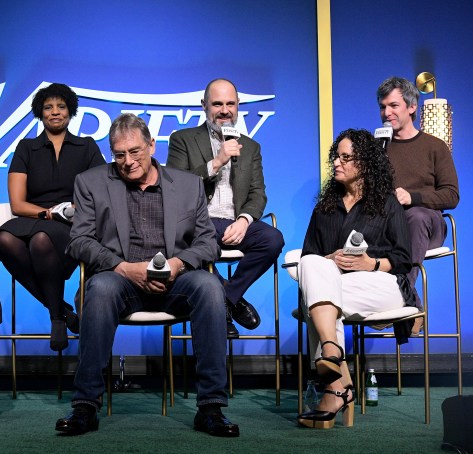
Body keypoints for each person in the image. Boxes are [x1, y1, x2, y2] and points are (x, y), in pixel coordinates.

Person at [55, 113, 239, 437]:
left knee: (210, 287)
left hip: (176, 279)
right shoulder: (91, 182)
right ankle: (85, 406)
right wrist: (123, 267)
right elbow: (79, 240)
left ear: (152, 146)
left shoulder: (188, 184)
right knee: (98, 290)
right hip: (121, 277)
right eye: (119, 154)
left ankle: (211, 408)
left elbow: (208, 242)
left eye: (135, 151)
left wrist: (178, 264)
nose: (128, 161)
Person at [296, 129, 416, 429]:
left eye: (345, 157)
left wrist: (370, 263)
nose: (337, 162)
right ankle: (333, 357)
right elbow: (309, 256)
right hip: (337, 286)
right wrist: (330, 259)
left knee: (318, 300)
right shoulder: (324, 208)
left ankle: (334, 382)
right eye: (336, 156)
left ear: (364, 163)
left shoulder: (387, 203)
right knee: (313, 266)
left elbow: (404, 259)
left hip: (382, 284)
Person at [167, 78, 284, 338]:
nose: (224, 110)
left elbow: (257, 193)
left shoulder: (251, 146)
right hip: (198, 223)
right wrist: (217, 161)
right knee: (181, 242)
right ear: (204, 106)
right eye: (217, 104)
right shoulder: (182, 139)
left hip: (234, 223)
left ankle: (226, 300)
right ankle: (229, 303)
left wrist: (244, 220)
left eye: (230, 104)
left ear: (238, 105)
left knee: (273, 239)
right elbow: (174, 186)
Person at [0, 83, 105, 351]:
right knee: (2, 239)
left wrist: (72, 211)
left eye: (61, 106)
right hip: (36, 216)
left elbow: (103, 193)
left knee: (40, 240)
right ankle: (61, 310)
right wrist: (47, 213)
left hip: (73, 223)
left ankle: (57, 318)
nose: (55, 112)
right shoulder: (26, 147)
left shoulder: (86, 147)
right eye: (48, 107)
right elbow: (18, 203)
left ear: (70, 111)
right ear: (40, 113)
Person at [376, 77, 459, 334]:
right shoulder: (377, 148)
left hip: (426, 224)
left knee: (416, 216)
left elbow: (452, 196)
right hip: (388, 227)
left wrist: (413, 198)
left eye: (393, 106)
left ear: (412, 107)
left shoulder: (435, 147)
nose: (386, 113)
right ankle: (411, 304)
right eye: (382, 107)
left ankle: (399, 297)